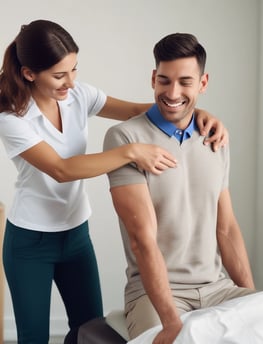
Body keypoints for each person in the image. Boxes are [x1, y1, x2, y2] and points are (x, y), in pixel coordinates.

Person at [0, 20, 226, 344]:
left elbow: (137, 111)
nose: (71, 82)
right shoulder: (12, 119)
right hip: (29, 242)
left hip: (76, 235)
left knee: (88, 331)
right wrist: (130, 150)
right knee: (33, 337)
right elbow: (62, 169)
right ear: (29, 73)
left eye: (74, 70)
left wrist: (199, 114)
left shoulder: (79, 95)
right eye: (59, 75)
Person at [103, 32, 256, 344]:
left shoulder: (215, 138)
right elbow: (141, 240)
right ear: (153, 79)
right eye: (164, 80)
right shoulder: (125, 138)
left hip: (218, 287)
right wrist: (172, 322)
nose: (173, 91)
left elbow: (225, 229)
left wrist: (249, 301)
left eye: (185, 81)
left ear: (203, 83)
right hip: (157, 294)